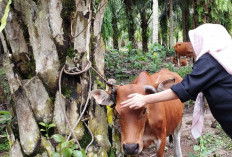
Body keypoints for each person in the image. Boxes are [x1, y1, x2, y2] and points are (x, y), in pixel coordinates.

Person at [120, 23, 232, 139]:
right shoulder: (223, 59)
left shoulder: (210, 61)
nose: (192, 48)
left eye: (195, 42)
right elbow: (193, 89)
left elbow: (185, 88)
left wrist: (144, 99)